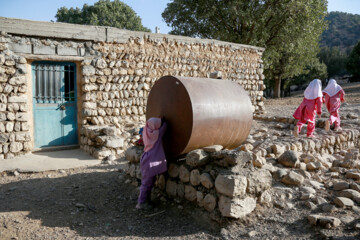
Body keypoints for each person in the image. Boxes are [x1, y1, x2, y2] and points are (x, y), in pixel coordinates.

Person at [136, 117, 167, 209]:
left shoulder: (146, 132)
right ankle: (141, 203)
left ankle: (146, 200)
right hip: (150, 161)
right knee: (146, 183)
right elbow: (165, 127)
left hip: (146, 159)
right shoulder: (156, 135)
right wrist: (164, 122)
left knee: (148, 182)